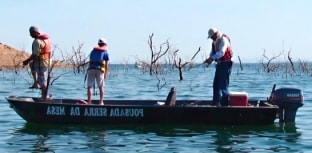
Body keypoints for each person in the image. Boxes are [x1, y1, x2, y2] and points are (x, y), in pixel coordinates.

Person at [204, 28, 233, 106]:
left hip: (226, 64)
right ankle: (216, 103)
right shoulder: (214, 42)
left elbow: (222, 52)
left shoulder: (223, 40)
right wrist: (209, 60)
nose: (211, 38)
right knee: (216, 85)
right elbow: (212, 52)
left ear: (216, 34)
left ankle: (225, 105)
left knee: (223, 85)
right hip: (220, 65)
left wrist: (212, 58)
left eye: (212, 36)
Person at [23, 26, 52, 101]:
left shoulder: (37, 41)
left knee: (43, 82)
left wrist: (27, 61)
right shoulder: (45, 39)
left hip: (41, 63)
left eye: (31, 33)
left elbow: (35, 54)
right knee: (32, 64)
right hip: (47, 62)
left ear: (35, 32)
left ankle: (45, 98)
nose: (30, 35)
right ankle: (36, 83)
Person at [87, 38, 109, 105]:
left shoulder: (93, 51)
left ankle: (89, 102)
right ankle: (101, 102)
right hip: (99, 70)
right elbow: (106, 64)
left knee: (89, 86)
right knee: (101, 86)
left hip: (91, 69)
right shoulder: (105, 52)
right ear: (104, 44)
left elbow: (90, 60)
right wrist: (105, 73)